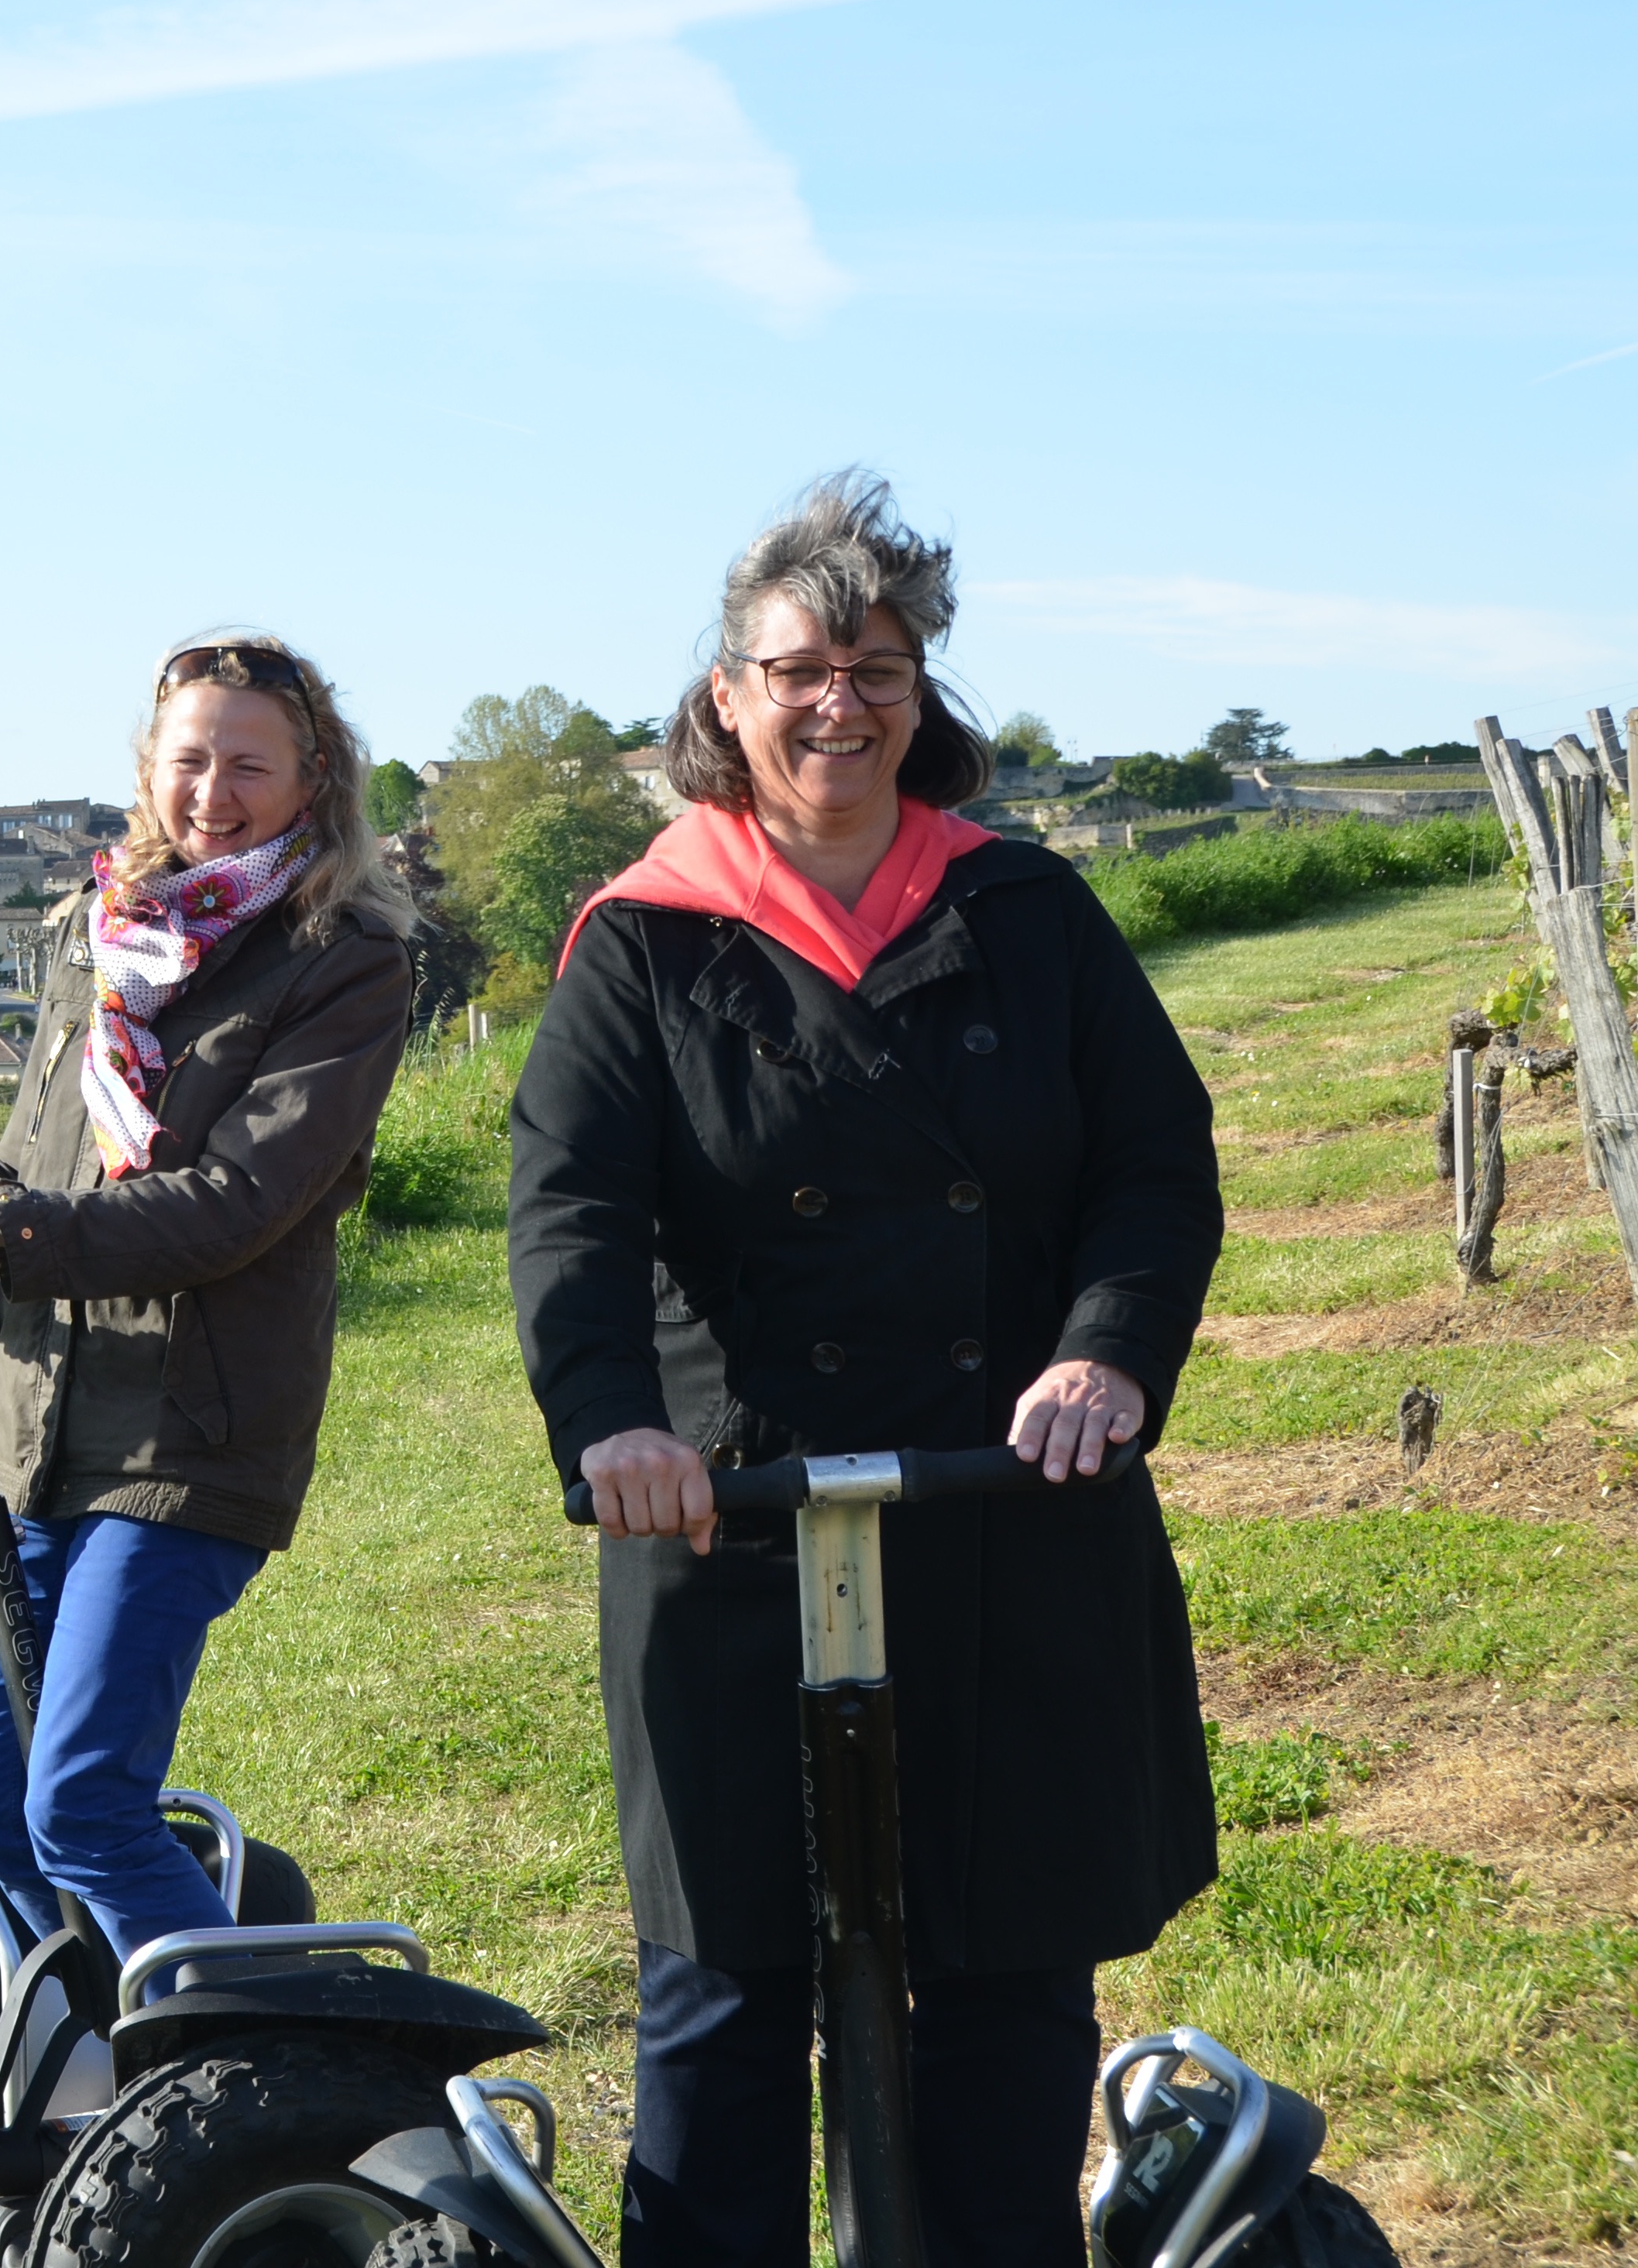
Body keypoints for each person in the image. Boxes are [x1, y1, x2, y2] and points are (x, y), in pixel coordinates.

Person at [510, 473, 1224, 2268]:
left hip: (1006, 1498)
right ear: (727, 695)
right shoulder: (647, 937)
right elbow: (571, 1208)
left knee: (1004, 1982)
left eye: (878, 670)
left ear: (922, 694)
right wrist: (612, 1424)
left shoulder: (1027, 910)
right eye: (800, 670)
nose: (840, 704)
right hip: (727, 1509)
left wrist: (1103, 1358)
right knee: (724, 1996)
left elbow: (1153, 1164)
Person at [0, 633, 413, 1964]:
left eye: (250, 765)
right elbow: (33, 1170)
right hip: (33, 1431)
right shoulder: (100, 933)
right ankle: (92, 2059)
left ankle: (247, 2065)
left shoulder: (341, 960)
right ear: (147, 767)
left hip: (189, 1437)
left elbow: (234, 1204)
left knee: (83, 1807)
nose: (213, 792)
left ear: (314, 778)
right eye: (190, 759)